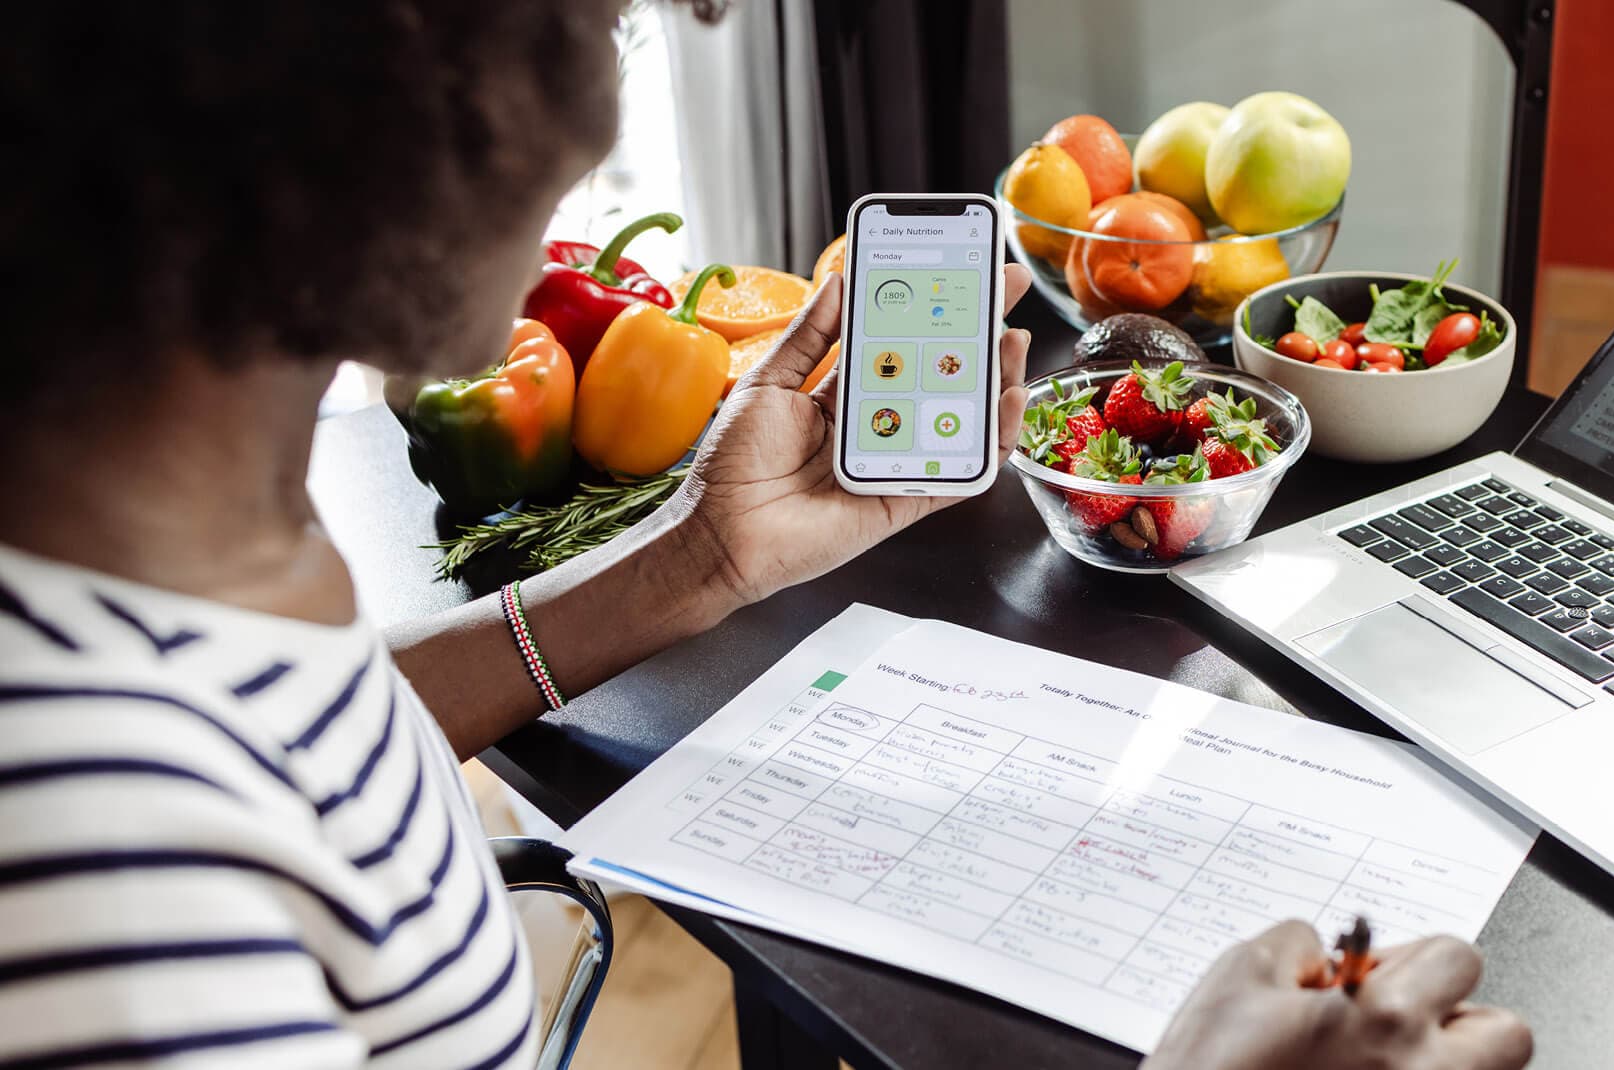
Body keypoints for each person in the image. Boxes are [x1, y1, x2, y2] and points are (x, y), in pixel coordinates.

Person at [0, 4, 1530, 1068]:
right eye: (586, 29)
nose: (595, 119)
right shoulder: (99, 866)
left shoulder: (154, 540)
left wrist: (697, 560)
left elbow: (296, 740)